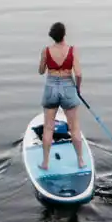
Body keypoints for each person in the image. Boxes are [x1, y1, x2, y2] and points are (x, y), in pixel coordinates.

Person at [38, 21, 84, 162]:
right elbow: (78, 74)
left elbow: (41, 71)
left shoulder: (46, 51)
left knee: (48, 128)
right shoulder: (72, 50)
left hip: (51, 87)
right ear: (64, 34)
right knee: (74, 128)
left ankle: (45, 163)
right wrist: (77, 89)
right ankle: (80, 161)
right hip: (67, 87)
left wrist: (45, 64)